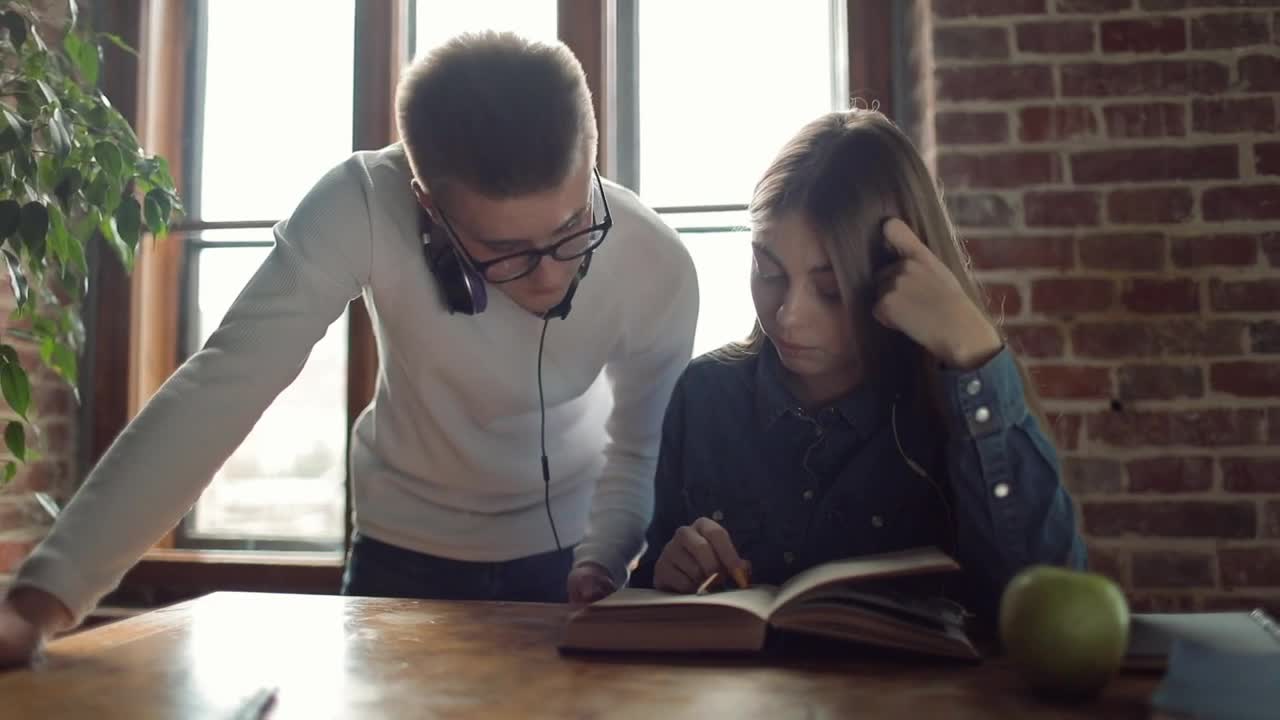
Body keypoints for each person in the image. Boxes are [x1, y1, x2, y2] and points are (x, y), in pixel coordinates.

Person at [0, 31, 697, 666]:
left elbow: (639, 450)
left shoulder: (656, 264)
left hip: (573, 559)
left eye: (573, 227)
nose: (550, 273)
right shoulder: (360, 202)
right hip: (402, 553)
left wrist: (605, 560)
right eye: (504, 250)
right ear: (427, 206)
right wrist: (40, 605)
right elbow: (221, 388)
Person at [629, 109, 1084, 623]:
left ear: (893, 280)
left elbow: (1049, 592)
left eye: (829, 289)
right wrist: (666, 577)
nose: (788, 315)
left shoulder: (948, 402)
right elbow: (642, 587)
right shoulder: (704, 395)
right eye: (768, 271)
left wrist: (974, 351)